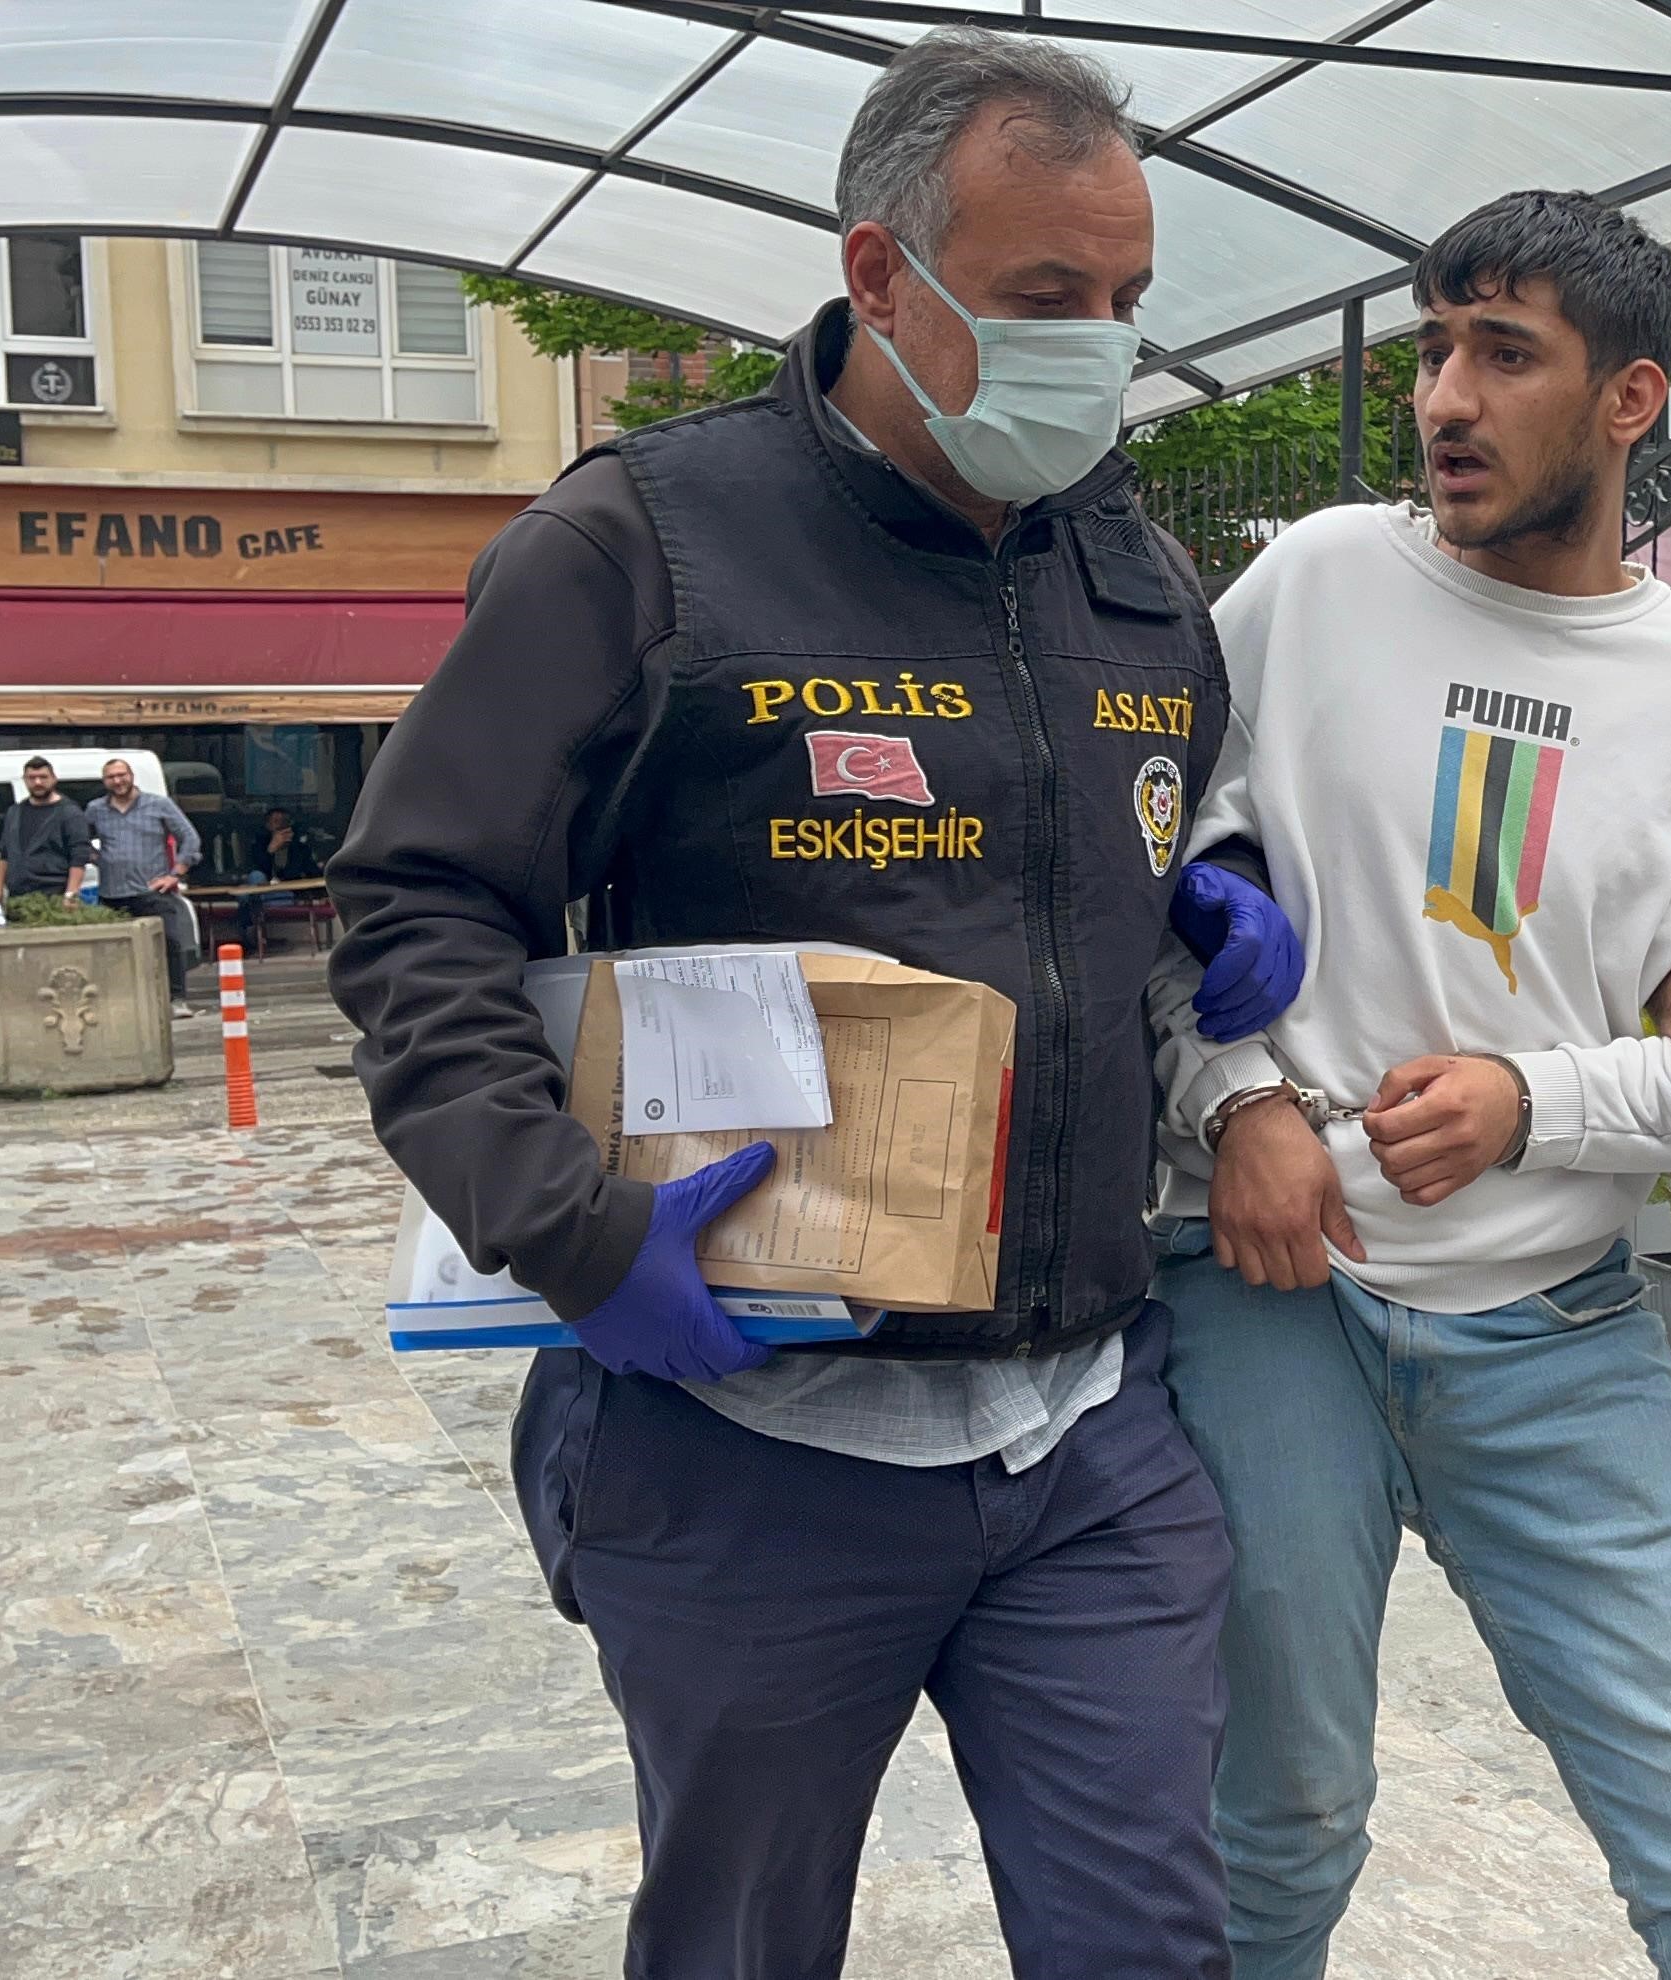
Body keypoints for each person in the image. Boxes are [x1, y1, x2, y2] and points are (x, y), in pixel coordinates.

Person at [330, 30, 1299, 1980]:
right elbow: (418, 903)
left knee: (1153, 1943)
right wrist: (570, 1229)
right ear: (882, 273)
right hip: (748, 1436)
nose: (1098, 352)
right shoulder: (646, 548)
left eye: (1123, 302)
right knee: (743, 1946)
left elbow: (1152, 826)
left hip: (1082, 1432)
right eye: (1045, 298)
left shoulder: (1132, 571)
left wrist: (1219, 881)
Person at [1149, 190, 1671, 1980]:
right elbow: (1149, 882)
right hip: (1275, 1292)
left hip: (1557, 1325)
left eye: (1506, 354)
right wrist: (1235, 1097)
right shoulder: (1314, 583)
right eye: (1435, 349)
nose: (1447, 399)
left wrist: (1532, 1103)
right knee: (1281, 1822)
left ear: (1631, 400)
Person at [86, 757, 200, 1017]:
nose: (117, 781)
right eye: (111, 777)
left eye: (121, 775)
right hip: (112, 893)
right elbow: (78, 840)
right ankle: (122, 1005)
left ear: (131, 775)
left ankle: (176, 1000)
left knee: (170, 944)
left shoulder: (158, 804)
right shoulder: (95, 809)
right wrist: (96, 858)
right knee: (113, 953)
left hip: (153, 891)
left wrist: (175, 874)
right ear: (104, 781)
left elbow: (190, 838)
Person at [0, 756, 93, 902]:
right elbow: (4, 853)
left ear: (54, 779)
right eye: (32, 778)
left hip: (54, 895)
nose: (38, 782)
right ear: (24, 780)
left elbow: (79, 856)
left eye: (43, 777)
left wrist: (71, 894)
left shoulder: (69, 813)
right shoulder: (14, 812)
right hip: (18, 895)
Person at [231, 806, 324, 958]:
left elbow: (312, 874)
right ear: (268, 825)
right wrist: (271, 849)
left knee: (245, 897)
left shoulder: (300, 849)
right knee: (255, 878)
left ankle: (249, 937)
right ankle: (255, 933)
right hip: (261, 894)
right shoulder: (258, 846)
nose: (280, 826)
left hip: (285, 895)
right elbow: (251, 869)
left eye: (284, 822)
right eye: (276, 822)